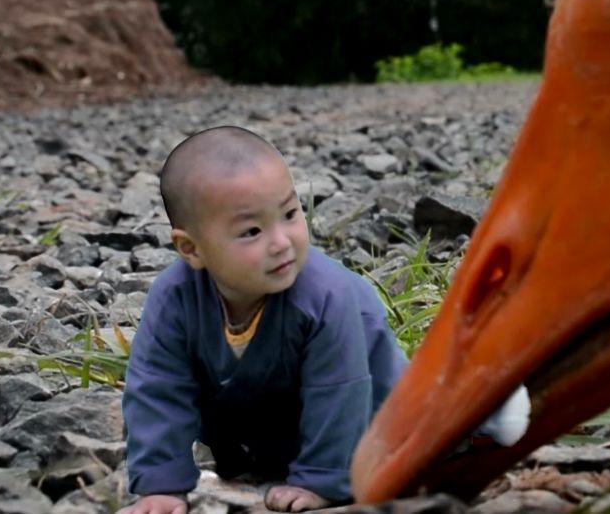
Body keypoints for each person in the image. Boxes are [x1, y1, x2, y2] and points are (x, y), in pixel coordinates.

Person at [118, 126, 526, 514]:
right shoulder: (174, 299)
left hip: (365, 391)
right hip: (267, 413)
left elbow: (340, 388)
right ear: (191, 249)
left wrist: (319, 479)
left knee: (416, 424)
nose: (282, 242)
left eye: (290, 214)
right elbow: (156, 387)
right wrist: (160, 484)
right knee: (254, 432)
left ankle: (489, 402)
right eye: (251, 231)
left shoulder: (325, 294)